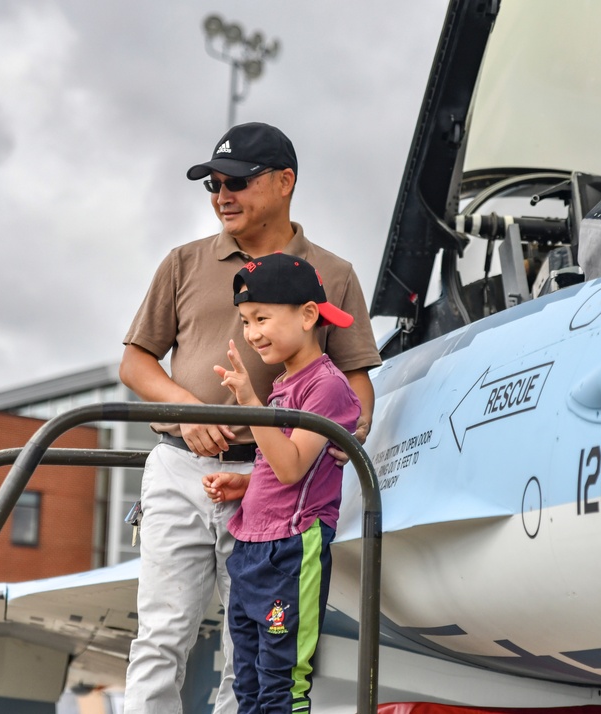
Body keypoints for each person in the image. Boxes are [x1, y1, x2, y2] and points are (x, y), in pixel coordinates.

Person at [120, 122, 381, 714]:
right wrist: (189, 413)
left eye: (236, 181)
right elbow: (135, 364)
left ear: (285, 182)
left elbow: (356, 381)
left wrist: (343, 440)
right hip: (180, 470)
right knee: (160, 638)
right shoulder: (182, 262)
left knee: (255, 656)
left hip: (271, 487)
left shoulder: (332, 274)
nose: (221, 195)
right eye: (213, 183)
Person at [203, 253, 361, 714]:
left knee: (281, 683)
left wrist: (251, 403)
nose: (251, 333)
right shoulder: (284, 384)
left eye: (262, 318)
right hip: (251, 545)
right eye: (246, 321)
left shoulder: (326, 387)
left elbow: (293, 467)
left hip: (292, 549)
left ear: (308, 314)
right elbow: (279, 469)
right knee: (247, 682)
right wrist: (245, 485)